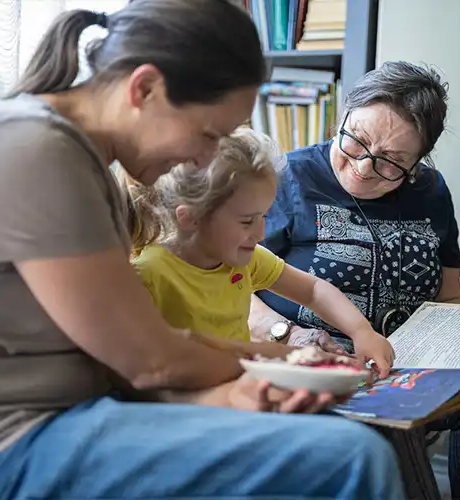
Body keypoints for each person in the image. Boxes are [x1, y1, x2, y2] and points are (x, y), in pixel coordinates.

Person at [0, 2, 405, 499]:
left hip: (70, 413)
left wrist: (255, 377)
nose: (202, 160)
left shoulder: (78, 161)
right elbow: (150, 360)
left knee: (319, 434)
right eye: (208, 134)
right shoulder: (32, 149)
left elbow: (143, 347)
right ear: (145, 89)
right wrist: (291, 364)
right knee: (348, 458)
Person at [249, 61, 460, 500]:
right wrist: (290, 334)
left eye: (392, 163)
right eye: (356, 140)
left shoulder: (431, 191)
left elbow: (448, 295)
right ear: (344, 113)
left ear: (416, 163)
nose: (363, 167)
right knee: (387, 406)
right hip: (324, 366)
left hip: (412, 358)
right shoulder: (286, 177)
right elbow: (231, 283)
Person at [120, 126, 395, 375]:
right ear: (191, 218)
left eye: (263, 216)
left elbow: (313, 291)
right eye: (247, 221)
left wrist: (361, 332)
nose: (261, 233)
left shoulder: (244, 258)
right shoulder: (147, 275)